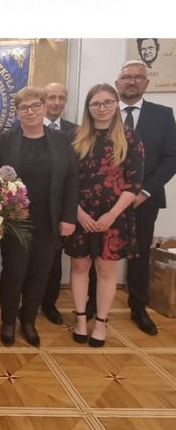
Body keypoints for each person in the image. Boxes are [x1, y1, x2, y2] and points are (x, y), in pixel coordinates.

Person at [0, 86, 78, 347]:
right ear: (17, 112)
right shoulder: (7, 140)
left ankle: (28, 320)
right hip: (16, 220)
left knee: (40, 273)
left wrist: (69, 217)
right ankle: (8, 321)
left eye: (35, 105)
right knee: (14, 272)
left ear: (44, 107)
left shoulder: (60, 140)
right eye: (24, 107)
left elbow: (72, 179)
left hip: (49, 220)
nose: (30, 111)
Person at [66, 84, 144, 348]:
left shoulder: (130, 138)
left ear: (116, 104)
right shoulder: (75, 138)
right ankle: (80, 319)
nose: (102, 108)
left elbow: (134, 183)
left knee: (106, 269)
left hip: (114, 216)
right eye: (96, 103)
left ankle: (100, 323)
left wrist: (111, 215)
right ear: (88, 107)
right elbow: (66, 180)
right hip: (80, 213)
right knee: (80, 266)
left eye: (107, 102)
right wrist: (78, 213)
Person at [112, 60, 176, 335]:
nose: (132, 81)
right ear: (118, 83)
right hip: (107, 201)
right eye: (127, 77)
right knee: (100, 252)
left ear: (146, 83)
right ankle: (91, 305)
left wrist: (144, 191)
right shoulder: (104, 111)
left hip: (144, 200)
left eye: (138, 77)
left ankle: (138, 306)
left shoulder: (163, 115)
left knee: (139, 255)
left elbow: (171, 158)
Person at [40, 82, 79, 325]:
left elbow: (74, 176)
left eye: (61, 98)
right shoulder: (23, 129)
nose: (56, 102)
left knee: (54, 261)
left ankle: (49, 303)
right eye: (51, 97)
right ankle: (27, 303)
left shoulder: (76, 132)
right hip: (31, 208)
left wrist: (69, 213)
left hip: (59, 209)